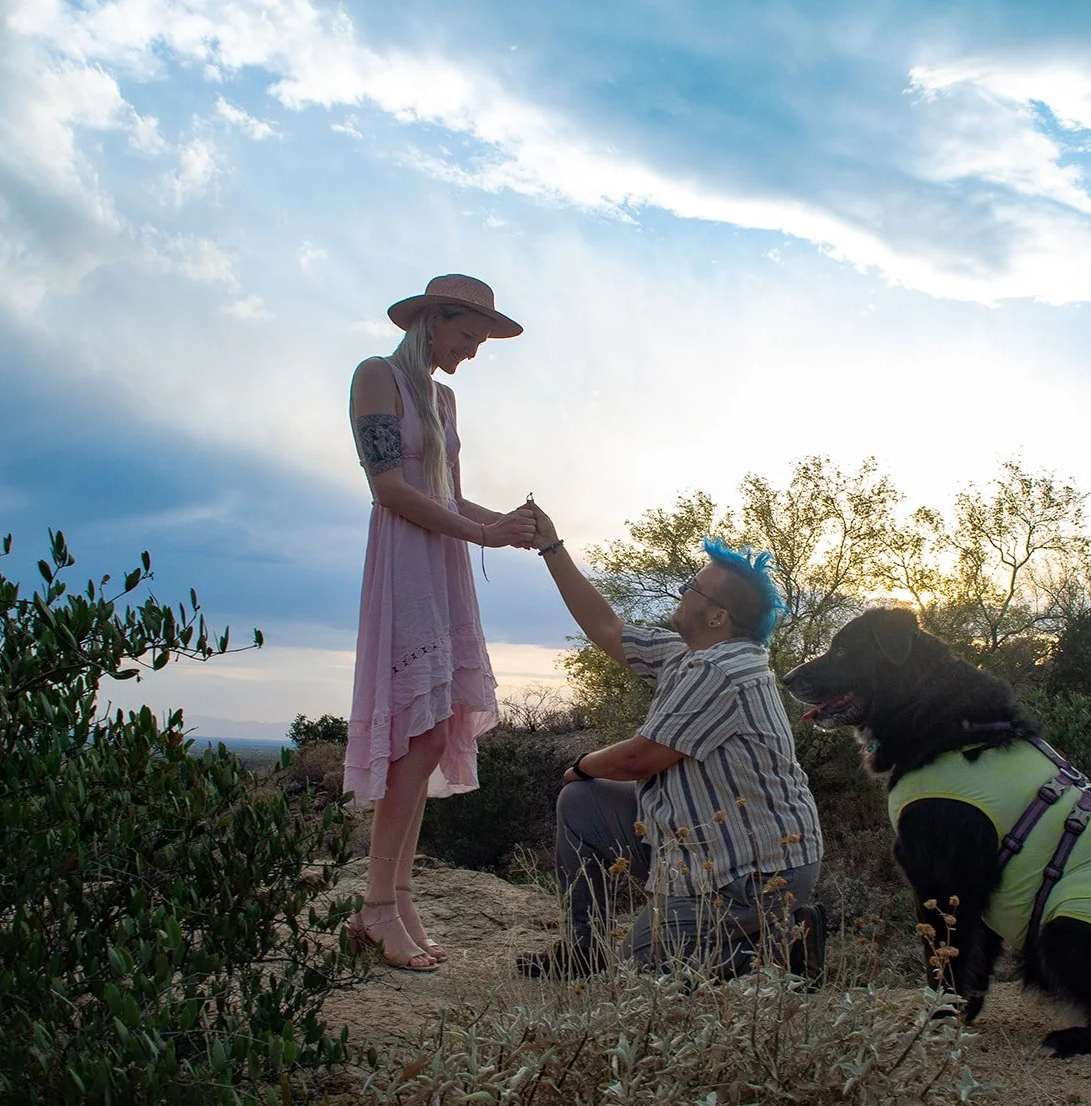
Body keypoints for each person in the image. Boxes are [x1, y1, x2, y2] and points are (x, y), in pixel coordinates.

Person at [516, 502, 825, 979]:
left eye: (693, 587)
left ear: (718, 617)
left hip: (749, 873)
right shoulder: (689, 654)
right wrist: (552, 548)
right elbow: (608, 629)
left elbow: (643, 757)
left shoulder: (722, 668)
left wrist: (582, 763)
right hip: (702, 844)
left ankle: (778, 946)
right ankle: (581, 950)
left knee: (642, 981)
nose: (682, 590)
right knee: (580, 804)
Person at [344, 274, 537, 971]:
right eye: (468, 335)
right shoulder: (378, 377)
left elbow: (448, 492)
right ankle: (375, 906)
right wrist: (478, 536)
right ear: (432, 321)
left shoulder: (445, 400)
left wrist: (504, 526)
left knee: (433, 733)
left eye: (482, 340)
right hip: (405, 562)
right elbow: (390, 488)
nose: (474, 351)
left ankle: (396, 895)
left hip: (445, 562)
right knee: (413, 736)